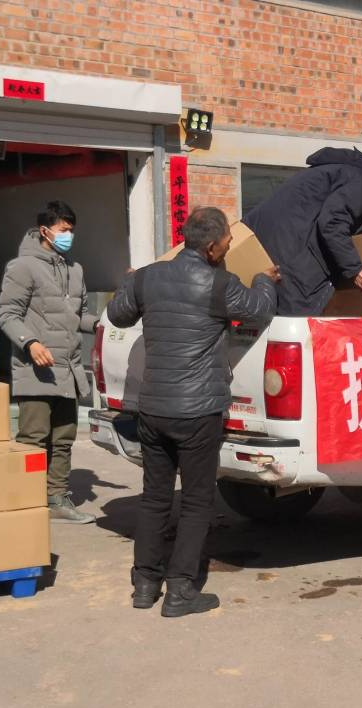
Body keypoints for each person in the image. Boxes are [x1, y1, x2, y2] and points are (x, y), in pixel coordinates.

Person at [108, 207, 279, 617]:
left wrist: (128, 283)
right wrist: (264, 280)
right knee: (197, 502)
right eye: (227, 243)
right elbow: (260, 309)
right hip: (198, 413)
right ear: (211, 247)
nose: (230, 247)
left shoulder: (147, 278)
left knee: (154, 498)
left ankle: (145, 584)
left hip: (153, 409)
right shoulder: (221, 284)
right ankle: (181, 591)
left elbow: (117, 315)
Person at [0, 200, 98, 524]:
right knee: (33, 439)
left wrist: (102, 324)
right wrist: (30, 342)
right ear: (45, 230)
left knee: (64, 438)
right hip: (36, 369)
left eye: (72, 230)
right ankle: (24, 501)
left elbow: (79, 315)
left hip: (67, 368)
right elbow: (7, 313)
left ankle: (57, 498)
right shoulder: (22, 267)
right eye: (63, 230)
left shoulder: (75, 270)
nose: (69, 236)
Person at [243, 147, 362, 315]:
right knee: (296, 317)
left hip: (265, 243)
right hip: (290, 252)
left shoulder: (344, 170)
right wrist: (355, 268)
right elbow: (332, 223)